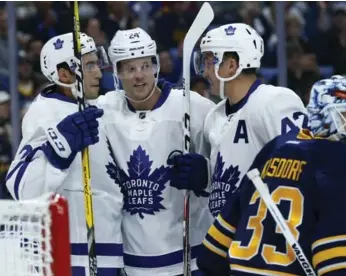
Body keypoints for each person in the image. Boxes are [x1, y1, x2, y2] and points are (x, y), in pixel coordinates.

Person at [197, 75, 346, 275]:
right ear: (324, 114)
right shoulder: (337, 160)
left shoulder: (275, 147)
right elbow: (336, 267)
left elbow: (210, 255)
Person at [96, 27, 215, 276]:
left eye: (145, 66)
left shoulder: (194, 107)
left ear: (156, 66)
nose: (139, 76)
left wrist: (208, 173)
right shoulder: (104, 110)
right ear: (117, 73)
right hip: (133, 261)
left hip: (190, 257)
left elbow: (228, 163)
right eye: (130, 69)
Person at [6, 33, 124, 276]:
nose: (99, 73)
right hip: (70, 253)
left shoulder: (96, 106)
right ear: (64, 74)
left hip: (110, 250)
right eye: (89, 65)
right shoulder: (44, 113)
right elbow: (21, 188)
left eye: (97, 64)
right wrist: (59, 152)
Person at [174, 23, 307, 218]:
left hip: (263, 237)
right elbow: (230, 179)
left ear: (231, 65)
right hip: (224, 236)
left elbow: (301, 170)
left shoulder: (275, 101)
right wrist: (207, 176)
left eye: (209, 62)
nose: (204, 72)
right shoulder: (215, 115)